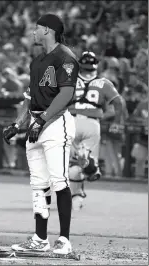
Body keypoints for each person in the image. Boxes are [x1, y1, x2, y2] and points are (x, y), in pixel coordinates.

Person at [3, 14, 79, 255]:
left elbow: (66, 94)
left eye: (36, 28)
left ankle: (64, 241)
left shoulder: (65, 57)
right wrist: (18, 124)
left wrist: (43, 121)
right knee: (38, 185)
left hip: (55, 123)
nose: (33, 32)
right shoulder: (37, 61)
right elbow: (30, 99)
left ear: (48, 30)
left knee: (59, 180)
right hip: (36, 124)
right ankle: (40, 239)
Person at [67, 51, 125, 210]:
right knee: (83, 162)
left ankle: (77, 195)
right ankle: (90, 167)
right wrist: (117, 123)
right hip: (92, 124)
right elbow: (119, 103)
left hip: (71, 122)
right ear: (96, 65)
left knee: (71, 165)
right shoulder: (104, 82)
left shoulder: (70, 81)